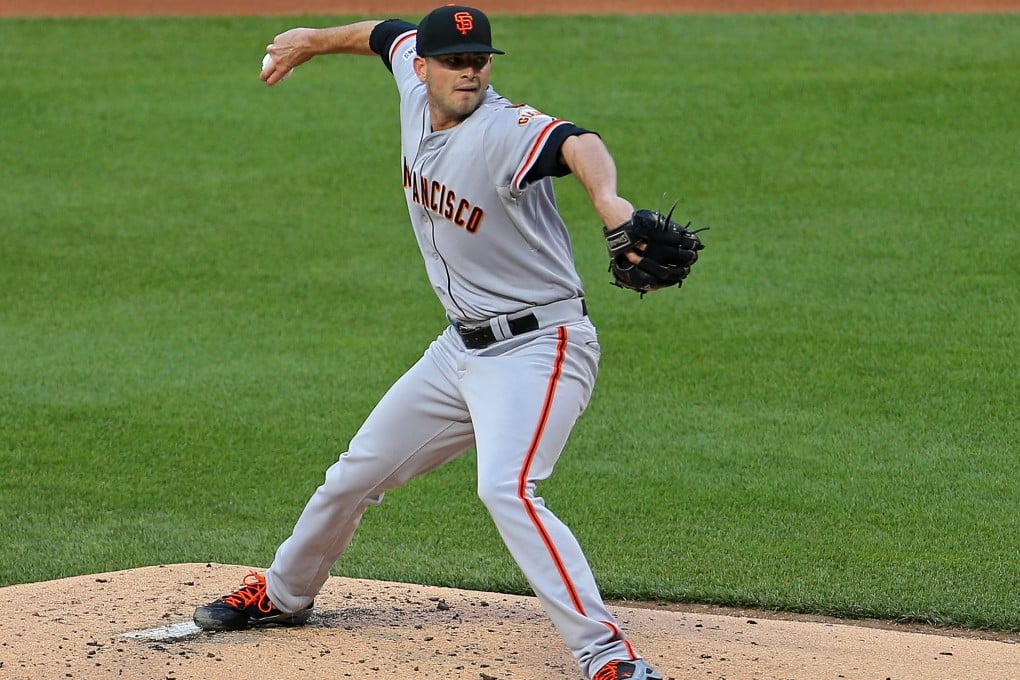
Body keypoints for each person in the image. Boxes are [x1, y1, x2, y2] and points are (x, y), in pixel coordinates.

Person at [193, 6, 663, 680]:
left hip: (539, 349)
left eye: (478, 61)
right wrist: (311, 43)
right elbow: (385, 33)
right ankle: (284, 593)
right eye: (454, 61)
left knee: (508, 488)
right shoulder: (413, 85)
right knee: (353, 475)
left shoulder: (506, 128)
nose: (468, 72)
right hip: (458, 352)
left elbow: (575, 142)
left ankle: (608, 657)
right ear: (426, 70)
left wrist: (611, 204)